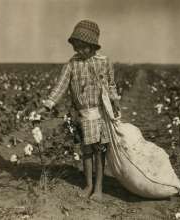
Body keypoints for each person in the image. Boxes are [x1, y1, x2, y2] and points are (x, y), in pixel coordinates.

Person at [38, 20, 121, 201]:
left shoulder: (104, 62)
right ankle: (88, 185)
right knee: (86, 151)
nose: (79, 51)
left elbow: (111, 85)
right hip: (82, 114)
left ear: (93, 46)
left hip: (100, 113)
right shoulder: (71, 64)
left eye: (83, 47)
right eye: (77, 47)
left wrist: (115, 102)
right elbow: (60, 86)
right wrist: (48, 104)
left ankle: (98, 187)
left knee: (100, 151)